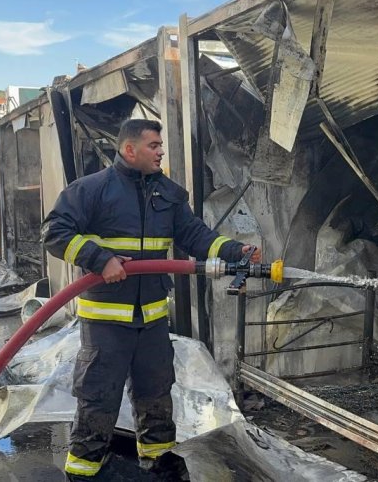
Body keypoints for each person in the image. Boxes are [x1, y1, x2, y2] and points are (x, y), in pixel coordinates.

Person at [43, 119, 261, 481]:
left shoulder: (168, 195)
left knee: (156, 394)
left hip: (153, 320)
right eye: (154, 145)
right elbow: (54, 232)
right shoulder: (91, 190)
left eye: (161, 145)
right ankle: (83, 471)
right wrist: (101, 259)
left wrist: (237, 250)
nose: (161, 151)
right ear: (130, 150)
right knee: (99, 397)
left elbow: (196, 236)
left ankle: (160, 466)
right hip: (106, 322)